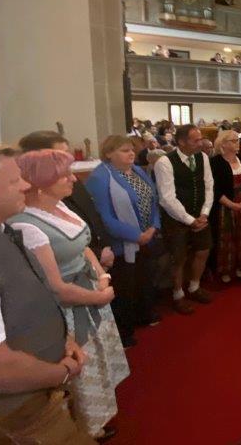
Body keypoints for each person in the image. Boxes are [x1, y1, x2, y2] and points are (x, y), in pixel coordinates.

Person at [0, 144, 95, 445]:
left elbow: (20, 305)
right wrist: (61, 372)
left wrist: (62, 340)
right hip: (11, 414)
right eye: (15, 180)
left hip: (34, 393)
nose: (26, 185)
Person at [10, 150, 129, 439]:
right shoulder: (26, 224)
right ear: (41, 184)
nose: (73, 179)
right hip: (69, 307)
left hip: (89, 290)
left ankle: (98, 416)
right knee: (81, 368)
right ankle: (85, 428)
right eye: (65, 175)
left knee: (98, 358)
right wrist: (99, 297)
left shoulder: (60, 206)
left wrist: (101, 275)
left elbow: (83, 246)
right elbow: (55, 287)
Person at [85, 136, 162, 348]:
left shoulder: (137, 170)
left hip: (147, 237)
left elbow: (154, 200)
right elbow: (104, 217)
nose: (131, 154)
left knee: (144, 280)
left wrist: (153, 227)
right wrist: (136, 235)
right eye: (124, 150)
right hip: (122, 243)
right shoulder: (100, 177)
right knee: (124, 287)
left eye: (132, 150)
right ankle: (124, 330)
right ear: (109, 153)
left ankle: (143, 314)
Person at [18, 131, 116, 276]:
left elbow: (92, 214)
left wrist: (104, 248)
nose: (65, 160)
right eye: (59, 155)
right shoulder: (31, 207)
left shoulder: (70, 183)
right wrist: (98, 255)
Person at [153, 124, 214, 315]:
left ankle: (194, 287)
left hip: (200, 215)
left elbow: (209, 186)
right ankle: (178, 294)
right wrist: (190, 220)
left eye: (200, 139)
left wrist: (204, 213)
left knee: (203, 251)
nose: (200, 143)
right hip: (176, 218)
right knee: (178, 258)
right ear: (181, 142)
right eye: (196, 140)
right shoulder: (164, 162)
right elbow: (167, 198)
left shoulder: (203, 157)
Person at [210, 130, 241, 282]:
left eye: (238, 140)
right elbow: (215, 189)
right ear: (223, 144)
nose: (238, 143)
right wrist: (232, 205)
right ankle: (226, 269)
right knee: (227, 237)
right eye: (234, 140)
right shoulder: (215, 162)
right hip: (225, 204)